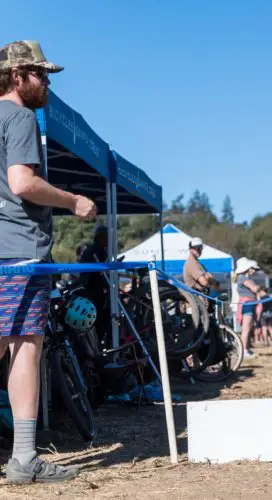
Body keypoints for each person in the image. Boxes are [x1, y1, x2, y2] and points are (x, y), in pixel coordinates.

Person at [0, 40, 96, 483]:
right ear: (17, 76)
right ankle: (23, 458)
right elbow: (22, 183)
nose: (47, 83)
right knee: (25, 344)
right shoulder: (19, 116)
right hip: (18, 250)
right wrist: (72, 199)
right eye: (40, 74)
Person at [232, 257, 261, 358]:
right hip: (247, 305)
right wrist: (258, 287)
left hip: (248, 304)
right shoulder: (243, 278)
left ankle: (246, 349)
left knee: (248, 328)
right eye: (251, 268)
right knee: (246, 329)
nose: (253, 270)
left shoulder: (242, 277)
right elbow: (254, 288)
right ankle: (244, 351)